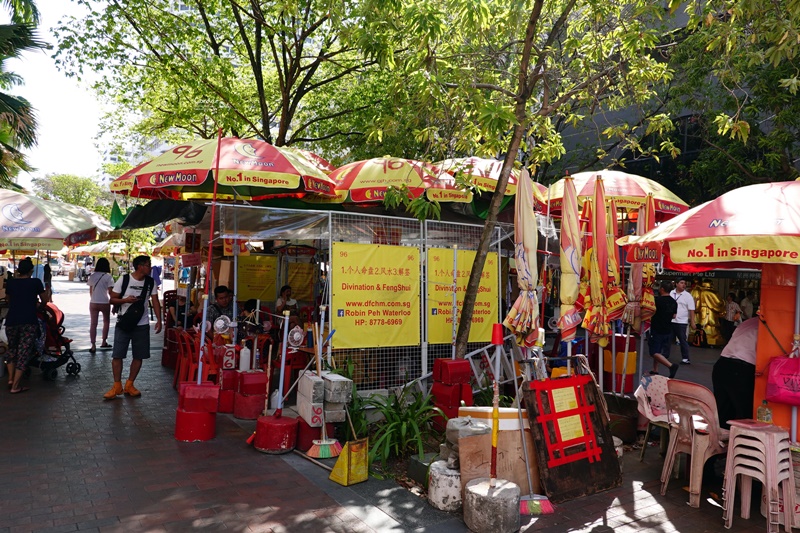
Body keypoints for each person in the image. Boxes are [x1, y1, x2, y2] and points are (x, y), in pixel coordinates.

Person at [104, 255, 162, 399]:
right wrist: (126, 300)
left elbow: (155, 302)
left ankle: (130, 384)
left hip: (142, 324)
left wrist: (160, 320)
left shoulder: (150, 282)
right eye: (148, 265)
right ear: (140, 266)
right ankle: (117, 386)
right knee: (117, 355)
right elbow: (112, 299)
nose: (150, 267)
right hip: (124, 323)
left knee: (139, 355)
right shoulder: (124, 280)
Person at [5, 258, 47, 393]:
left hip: (11, 321)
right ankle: (15, 386)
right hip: (28, 321)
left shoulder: (11, 283)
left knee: (11, 349)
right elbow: (45, 300)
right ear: (31, 271)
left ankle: (11, 379)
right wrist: (39, 306)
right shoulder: (36, 282)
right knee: (23, 353)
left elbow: (8, 300)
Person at [712, 317, 758, 429]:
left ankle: (720, 443)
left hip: (722, 364)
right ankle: (742, 443)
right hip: (741, 368)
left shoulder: (749, 322)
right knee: (745, 415)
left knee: (723, 413)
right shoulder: (770, 326)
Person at [649, 281, 680, 378]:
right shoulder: (673, 302)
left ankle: (670, 366)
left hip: (657, 328)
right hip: (667, 328)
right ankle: (655, 369)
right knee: (659, 350)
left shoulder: (657, 301)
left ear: (662, 289)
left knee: (653, 352)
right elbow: (674, 316)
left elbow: (651, 312)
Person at [88, 258, 115, 353]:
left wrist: (94, 298)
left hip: (93, 302)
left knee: (93, 324)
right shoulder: (108, 277)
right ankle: (104, 341)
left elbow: (91, 291)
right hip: (104, 302)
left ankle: (93, 345)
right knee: (106, 322)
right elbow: (111, 292)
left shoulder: (93, 276)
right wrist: (114, 302)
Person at [671, 278, 696, 364]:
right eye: (681, 283)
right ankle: (664, 355)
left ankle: (685, 358)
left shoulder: (688, 296)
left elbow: (692, 309)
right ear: (676, 284)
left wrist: (692, 321)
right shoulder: (671, 293)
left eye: (684, 283)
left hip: (682, 321)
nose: (683, 285)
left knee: (682, 340)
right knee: (667, 339)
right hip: (671, 320)